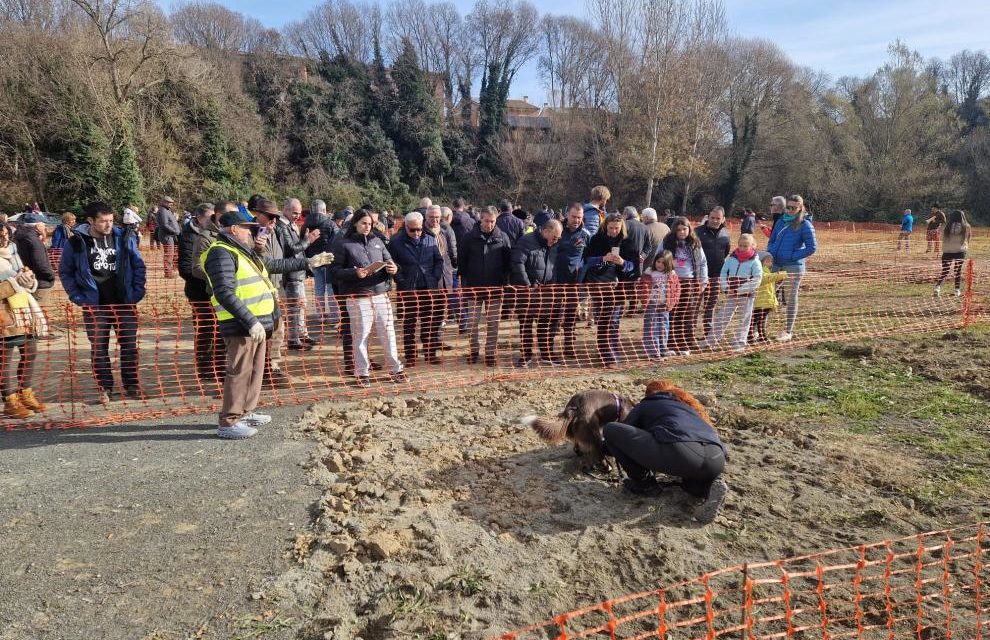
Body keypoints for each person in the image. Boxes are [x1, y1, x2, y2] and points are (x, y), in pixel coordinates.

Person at [201, 211, 333, 439]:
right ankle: (229, 422)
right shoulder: (221, 253)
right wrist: (250, 321)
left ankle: (245, 412)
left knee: (254, 370)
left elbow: (273, 264)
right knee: (239, 372)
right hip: (241, 324)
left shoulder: (244, 252)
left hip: (259, 323)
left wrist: (307, 262)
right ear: (234, 229)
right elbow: (224, 292)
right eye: (249, 229)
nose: (254, 233)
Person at [603, 380, 728, 525]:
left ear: (648, 394)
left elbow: (625, 436)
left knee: (612, 429)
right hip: (717, 458)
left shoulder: (647, 404)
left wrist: (601, 448)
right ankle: (706, 489)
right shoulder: (689, 408)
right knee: (689, 485)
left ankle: (645, 485)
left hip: (683, 454)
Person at [59, 202, 146, 404]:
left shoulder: (123, 237)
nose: (108, 225)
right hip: (95, 305)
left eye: (111, 220)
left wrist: (137, 292)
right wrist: (77, 297)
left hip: (124, 302)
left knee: (130, 346)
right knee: (99, 348)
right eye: (103, 221)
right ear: (90, 221)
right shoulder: (76, 243)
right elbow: (66, 272)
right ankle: (105, 388)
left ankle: (132, 384)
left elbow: (138, 265)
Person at [331, 208, 407, 388]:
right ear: (355, 223)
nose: (367, 227)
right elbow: (334, 271)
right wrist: (354, 273)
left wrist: (394, 269)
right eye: (364, 223)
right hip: (358, 297)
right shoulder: (343, 244)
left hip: (381, 294)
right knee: (361, 336)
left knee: (388, 334)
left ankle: (396, 369)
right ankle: (362, 372)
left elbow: (390, 261)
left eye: (370, 224)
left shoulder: (378, 241)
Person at [0, 223, 49, 418]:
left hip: (22, 310)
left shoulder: (13, 253)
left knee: (30, 352)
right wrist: (14, 283)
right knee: (4, 360)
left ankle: (25, 394)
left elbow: (24, 277)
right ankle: (10, 401)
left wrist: (30, 281)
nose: (4, 239)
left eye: (5, 234)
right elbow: (11, 284)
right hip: (3, 315)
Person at [581, 214, 638, 367]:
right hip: (599, 285)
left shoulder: (628, 242)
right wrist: (602, 259)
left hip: (619, 287)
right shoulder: (597, 239)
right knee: (603, 320)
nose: (613, 231)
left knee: (614, 320)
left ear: (622, 228)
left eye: (616, 228)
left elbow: (634, 266)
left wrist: (623, 262)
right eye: (610, 227)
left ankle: (612, 353)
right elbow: (587, 260)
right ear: (605, 226)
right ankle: (604, 352)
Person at [388, 212, 445, 366]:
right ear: (405, 226)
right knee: (409, 325)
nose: (416, 233)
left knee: (429, 323)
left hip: (429, 287)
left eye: (419, 229)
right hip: (409, 289)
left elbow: (439, 260)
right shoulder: (395, 242)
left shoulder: (430, 239)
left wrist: (436, 275)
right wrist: (400, 280)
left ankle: (429, 354)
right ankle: (411, 356)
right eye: (412, 230)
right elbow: (391, 264)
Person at [178, 202, 224, 387]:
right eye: (209, 217)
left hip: (215, 290)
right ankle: (204, 367)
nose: (213, 221)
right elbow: (186, 268)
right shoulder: (189, 237)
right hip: (198, 292)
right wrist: (211, 276)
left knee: (219, 328)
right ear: (199, 218)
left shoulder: (217, 234)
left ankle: (216, 364)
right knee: (205, 329)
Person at [459, 206, 511, 366]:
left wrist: (505, 282)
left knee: (493, 323)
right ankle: (474, 351)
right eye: (486, 221)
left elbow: (507, 263)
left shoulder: (502, 237)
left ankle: (490, 353)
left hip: (495, 287)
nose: (489, 224)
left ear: (496, 220)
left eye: (492, 221)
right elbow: (462, 262)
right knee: (473, 322)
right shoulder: (469, 238)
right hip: (473, 287)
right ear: (480, 219)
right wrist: (464, 283)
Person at [509, 219, 562, 367]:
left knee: (545, 325)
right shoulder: (526, 241)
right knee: (526, 324)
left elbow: (553, 266)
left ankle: (547, 354)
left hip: (546, 291)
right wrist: (527, 285)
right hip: (527, 291)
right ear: (546, 231)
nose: (556, 240)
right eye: (555, 237)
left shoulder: (553, 244)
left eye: (558, 238)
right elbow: (517, 263)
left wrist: (553, 284)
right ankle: (526, 356)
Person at [766, 194, 817, 342]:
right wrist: (772, 250)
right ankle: (760, 328)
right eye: (788, 207)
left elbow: (812, 247)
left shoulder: (805, 224)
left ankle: (788, 331)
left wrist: (793, 255)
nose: (790, 210)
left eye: (793, 208)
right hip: (776, 263)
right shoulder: (781, 221)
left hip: (793, 266)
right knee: (767, 295)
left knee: (790, 298)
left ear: (800, 208)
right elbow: (772, 239)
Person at [703, 233, 762, 353]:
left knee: (745, 319)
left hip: (746, 295)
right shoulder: (731, 258)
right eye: (740, 245)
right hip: (731, 294)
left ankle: (740, 343)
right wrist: (726, 287)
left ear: (752, 246)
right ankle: (710, 341)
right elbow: (723, 273)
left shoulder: (755, 261)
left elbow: (757, 279)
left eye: (746, 246)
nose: (742, 248)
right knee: (722, 316)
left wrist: (739, 290)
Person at [662, 217, 708, 355]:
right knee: (672, 313)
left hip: (689, 282)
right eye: (679, 230)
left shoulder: (695, 244)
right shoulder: (666, 243)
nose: (682, 232)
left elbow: (702, 263)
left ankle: (684, 345)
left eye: (684, 229)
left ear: (689, 229)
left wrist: (702, 280)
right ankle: (670, 344)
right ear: (674, 231)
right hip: (671, 282)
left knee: (687, 313)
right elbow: (658, 258)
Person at [279, 198, 320, 350]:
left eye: (299, 213)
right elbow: (291, 248)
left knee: (302, 305)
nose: (297, 216)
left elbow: (296, 247)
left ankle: (301, 334)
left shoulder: (290, 225)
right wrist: (307, 241)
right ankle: (294, 339)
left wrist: (304, 240)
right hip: (291, 273)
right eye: (294, 213)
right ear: (286, 209)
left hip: (298, 271)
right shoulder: (282, 226)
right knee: (295, 307)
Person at [555, 203, 591, 361]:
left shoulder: (585, 234)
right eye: (573, 217)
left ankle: (569, 345)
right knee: (553, 315)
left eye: (579, 217)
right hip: (554, 279)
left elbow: (589, 257)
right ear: (567, 215)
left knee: (570, 315)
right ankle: (548, 348)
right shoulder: (558, 230)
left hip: (574, 281)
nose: (576, 220)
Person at [303, 199, 341, 331]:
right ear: (324, 210)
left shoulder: (305, 224)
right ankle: (334, 315)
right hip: (328, 260)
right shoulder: (330, 223)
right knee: (330, 288)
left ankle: (320, 315)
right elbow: (337, 241)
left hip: (313, 260)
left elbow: (303, 243)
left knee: (319, 288)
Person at [696, 206, 731, 341]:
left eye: (718, 218)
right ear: (708, 217)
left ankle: (708, 334)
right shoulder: (697, 232)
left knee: (710, 306)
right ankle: (689, 334)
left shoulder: (726, 234)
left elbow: (726, 252)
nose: (715, 221)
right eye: (712, 218)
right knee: (694, 306)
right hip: (698, 277)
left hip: (716, 276)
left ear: (723, 219)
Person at [424, 205, 457, 348]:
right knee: (428, 312)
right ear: (426, 217)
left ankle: (437, 339)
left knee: (440, 311)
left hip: (446, 277)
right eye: (432, 217)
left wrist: (452, 269)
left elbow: (450, 253)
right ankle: (428, 343)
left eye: (437, 217)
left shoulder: (444, 231)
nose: (435, 220)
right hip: (430, 278)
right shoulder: (422, 233)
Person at [640, 251, 679, 360]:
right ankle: (653, 352)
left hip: (664, 305)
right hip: (651, 304)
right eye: (658, 261)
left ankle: (662, 349)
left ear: (669, 264)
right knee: (652, 327)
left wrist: (672, 301)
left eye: (663, 263)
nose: (660, 264)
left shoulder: (671, 275)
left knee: (664, 327)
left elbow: (676, 289)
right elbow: (641, 287)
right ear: (655, 261)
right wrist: (644, 298)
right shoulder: (649, 273)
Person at [12, 215, 55, 305]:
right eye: (44, 225)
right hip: (40, 282)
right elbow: (40, 263)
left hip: (24, 280)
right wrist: (50, 276)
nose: (45, 228)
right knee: (39, 315)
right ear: (38, 226)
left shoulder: (18, 237)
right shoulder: (34, 240)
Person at [748, 253, 786, 344]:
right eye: (767, 261)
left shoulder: (768, 271)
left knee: (758, 320)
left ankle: (755, 336)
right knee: (758, 320)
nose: (770, 263)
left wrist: (777, 279)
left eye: (771, 261)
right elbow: (765, 278)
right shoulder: (760, 270)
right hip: (761, 301)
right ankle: (759, 337)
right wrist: (781, 274)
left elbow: (770, 284)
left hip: (766, 300)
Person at [934, 210, 972, 298]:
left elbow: (942, 238)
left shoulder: (946, 227)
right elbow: (967, 239)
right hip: (960, 251)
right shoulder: (966, 226)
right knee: (957, 271)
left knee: (945, 271)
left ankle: (937, 287)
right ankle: (957, 290)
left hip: (947, 251)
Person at [154, 197, 181, 278]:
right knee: (169, 254)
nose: (171, 204)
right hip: (167, 236)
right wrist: (175, 231)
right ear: (163, 202)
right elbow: (164, 225)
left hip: (171, 236)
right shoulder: (162, 211)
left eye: (171, 203)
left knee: (173, 254)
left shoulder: (167, 210)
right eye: (169, 202)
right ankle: (168, 274)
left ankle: (171, 270)